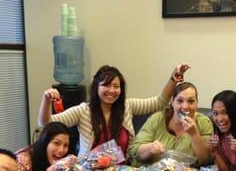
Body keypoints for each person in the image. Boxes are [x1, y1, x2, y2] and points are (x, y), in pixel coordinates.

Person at [37, 63, 190, 157]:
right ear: (96, 87)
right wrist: (46, 99)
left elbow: (159, 102)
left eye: (116, 86)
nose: (112, 90)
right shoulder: (83, 111)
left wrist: (174, 76)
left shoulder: (127, 106)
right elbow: (46, 123)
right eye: (106, 85)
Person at [128, 82, 213, 166]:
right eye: (180, 101)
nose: (185, 106)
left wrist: (194, 134)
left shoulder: (203, 122)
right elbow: (134, 151)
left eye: (191, 101)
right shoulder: (158, 118)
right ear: (172, 102)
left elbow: (205, 161)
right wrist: (150, 148)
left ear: (196, 104)